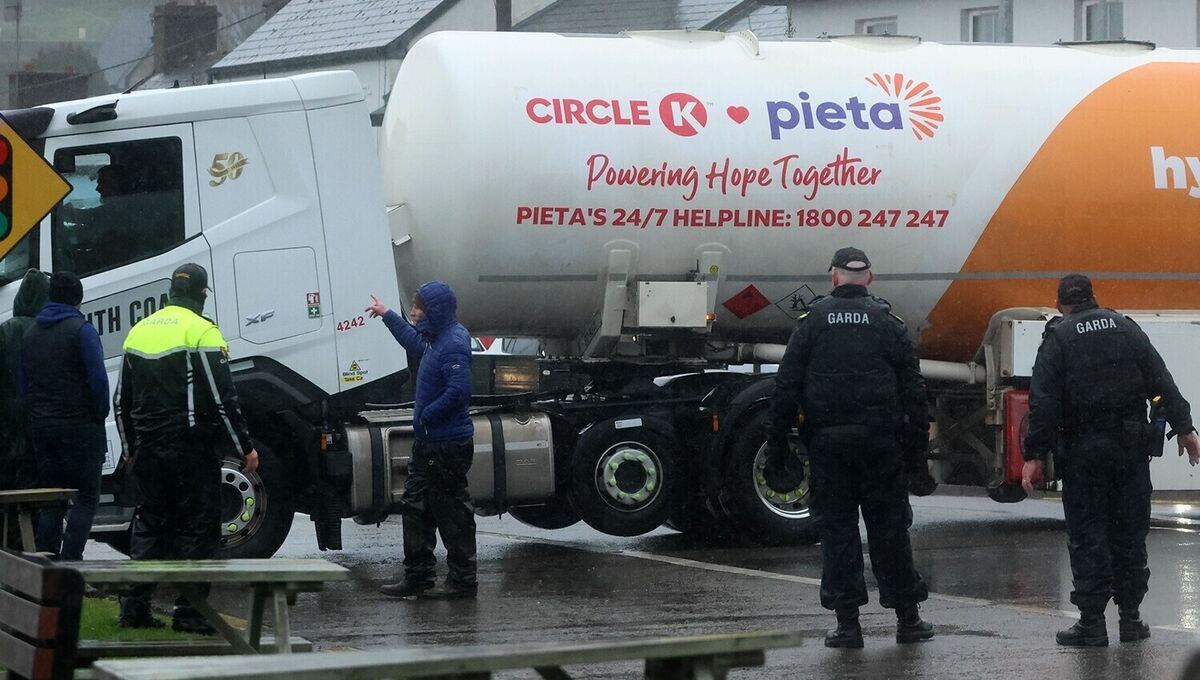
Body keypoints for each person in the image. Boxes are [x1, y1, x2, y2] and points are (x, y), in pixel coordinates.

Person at [764, 247, 934, 648]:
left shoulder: (812, 323)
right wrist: (916, 454)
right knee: (890, 530)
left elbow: (786, 387)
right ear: (869, 279)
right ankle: (908, 620)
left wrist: (775, 445)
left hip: (830, 447)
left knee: (838, 532)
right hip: (881, 445)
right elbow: (914, 391)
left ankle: (848, 626)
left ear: (834, 277)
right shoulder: (887, 323)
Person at [1022, 273, 1200, 647]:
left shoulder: (1058, 338)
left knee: (1089, 535)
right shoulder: (1126, 328)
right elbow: (1161, 381)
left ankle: (1091, 624)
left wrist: (1035, 455)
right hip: (1130, 451)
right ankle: (1131, 620)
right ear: (1094, 297)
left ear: (1060, 304)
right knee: (1130, 534)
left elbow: (1044, 404)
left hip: (1084, 454)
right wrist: (1185, 429)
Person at [114, 263, 259, 631]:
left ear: (170, 292)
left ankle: (134, 609)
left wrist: (131, 447)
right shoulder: (202, 331)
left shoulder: (139, 331)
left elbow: (121, 402)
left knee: (149, 524)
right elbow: (222, 398)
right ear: (202, 294)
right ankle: (190, 613)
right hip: (190, 449)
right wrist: (245, 447)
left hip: (148, 448)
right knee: (198, 527)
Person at [367, 282, 476, 599]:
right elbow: (414, 344)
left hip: (447, 445)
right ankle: (418, 577)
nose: (413, 311)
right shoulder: (435, 339)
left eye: (419, 307)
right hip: (429, 443)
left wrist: (427, 415)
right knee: (416, 509)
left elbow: (459, 392)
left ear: (437, 311)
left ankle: (462, 581)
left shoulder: (453, 343)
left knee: (451, 512)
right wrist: (388, 315)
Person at [19, 271, 108, 560]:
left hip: (43, 428)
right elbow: (98, 381)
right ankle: (71, 562)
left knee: (51, 501)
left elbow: (24, 385)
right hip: (81, 427)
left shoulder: (30, 334)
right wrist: (99, 415)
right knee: (85, 497)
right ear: (78, 298)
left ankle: (46, 565)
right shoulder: (81, 330)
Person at [0, 269, 49, 546]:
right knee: (33, 498)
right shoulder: (45, 333)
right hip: (37, 428)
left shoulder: (5, 331)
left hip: (6, 430)